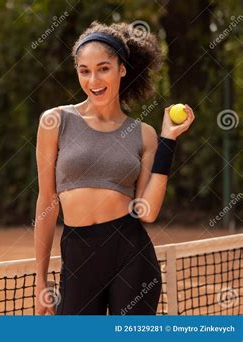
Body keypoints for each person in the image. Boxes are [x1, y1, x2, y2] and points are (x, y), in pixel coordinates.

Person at [34, 21, 195, 315]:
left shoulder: (144, 134)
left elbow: (148, 211)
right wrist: (40, 280)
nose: (93, 79)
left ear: (122, 69)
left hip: (131, 257)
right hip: (77, 256)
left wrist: (167, 140)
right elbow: (47, 201)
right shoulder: (54, 121)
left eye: (103, 68)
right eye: (85, 70)